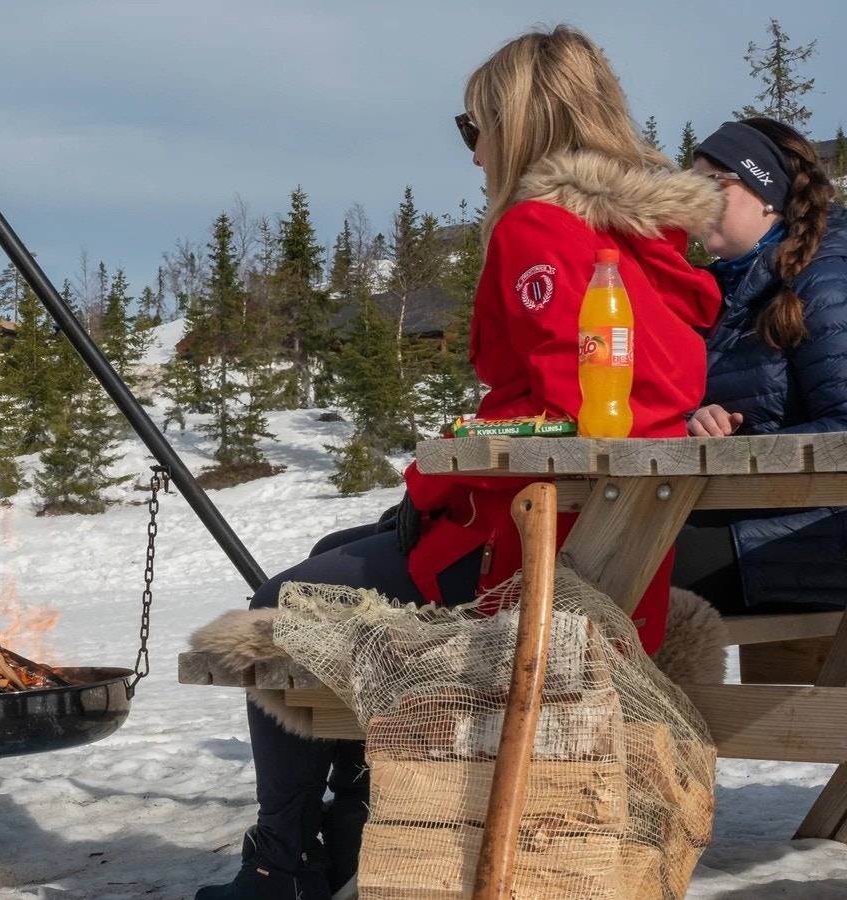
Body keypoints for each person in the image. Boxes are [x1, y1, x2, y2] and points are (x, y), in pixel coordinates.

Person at [197, 25, 723, 900]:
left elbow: (568, 419)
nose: (472, 150)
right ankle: (351, 826)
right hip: (624, 562)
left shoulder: (536, 227)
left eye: (473, 127)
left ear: (518, 126)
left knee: (276, 610)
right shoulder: (645, 246)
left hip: (532, 572)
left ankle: (280, 861)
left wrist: (439, 471)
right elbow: (615, 404)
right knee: (341, 547)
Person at [671, 118, 847, 616]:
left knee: (627, 570)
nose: (692, 203)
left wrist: (738, 452)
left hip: (818, 532)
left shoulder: (827, 281)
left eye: (711, 186)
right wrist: (695, 420)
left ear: (765, 193)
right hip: (751, 515)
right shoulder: (721, 289)